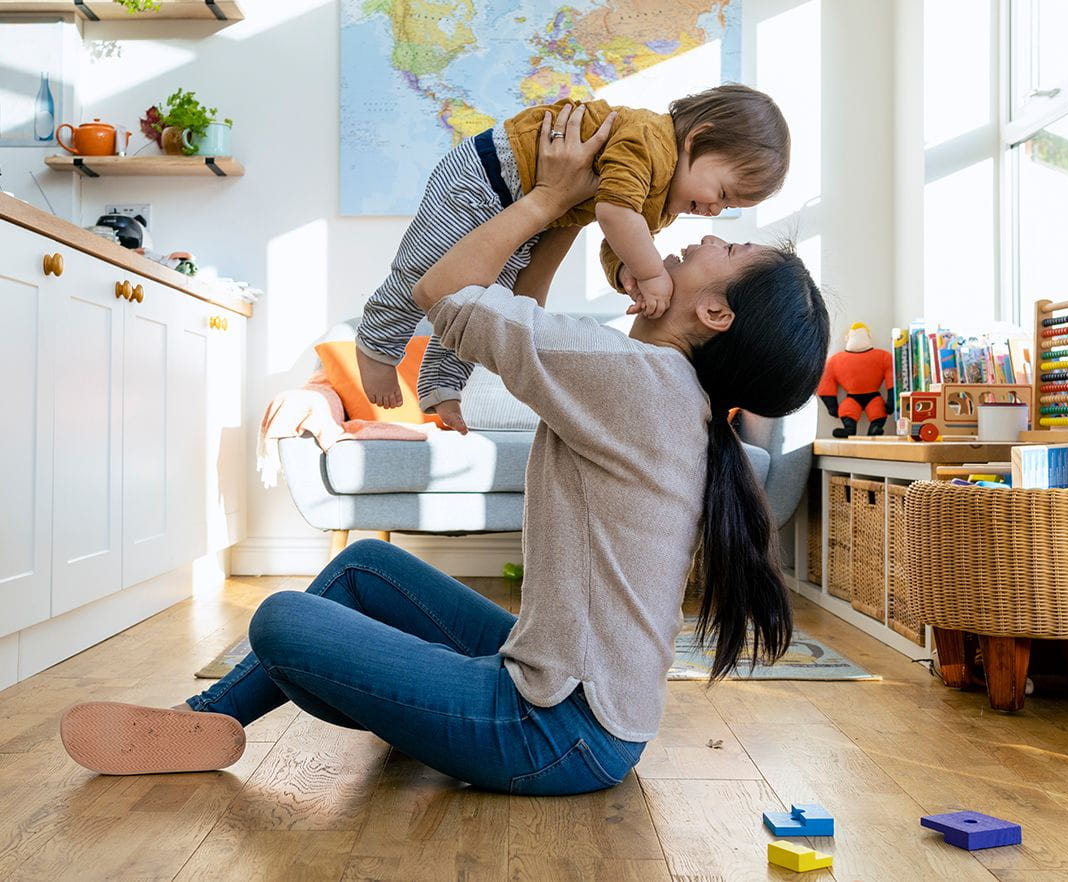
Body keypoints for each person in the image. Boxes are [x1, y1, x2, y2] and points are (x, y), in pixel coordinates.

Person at [60, 105, 829, 796]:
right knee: (366, 568)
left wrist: (547, 197)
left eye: (726, 245)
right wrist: (564, 215)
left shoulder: (636, 379)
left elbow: (444, 291)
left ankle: (356, 706)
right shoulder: (658, 387)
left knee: (281, 622)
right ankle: (206, 724)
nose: (703, 234)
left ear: (714, 311)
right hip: (575, 705)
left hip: (552, 732)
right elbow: (515, 315)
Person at [355, 84, 790, 434]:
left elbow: (614, 236)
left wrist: (626, 272)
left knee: (484, 297)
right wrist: (649, 271)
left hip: (530, 205)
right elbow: (614, 213)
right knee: (422, 266)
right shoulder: (651, 142)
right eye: (724, 193)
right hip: (489, 176)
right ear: (697, 139)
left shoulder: (660, 203)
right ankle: (377, 343)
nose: (715, 216)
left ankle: (441, 381)